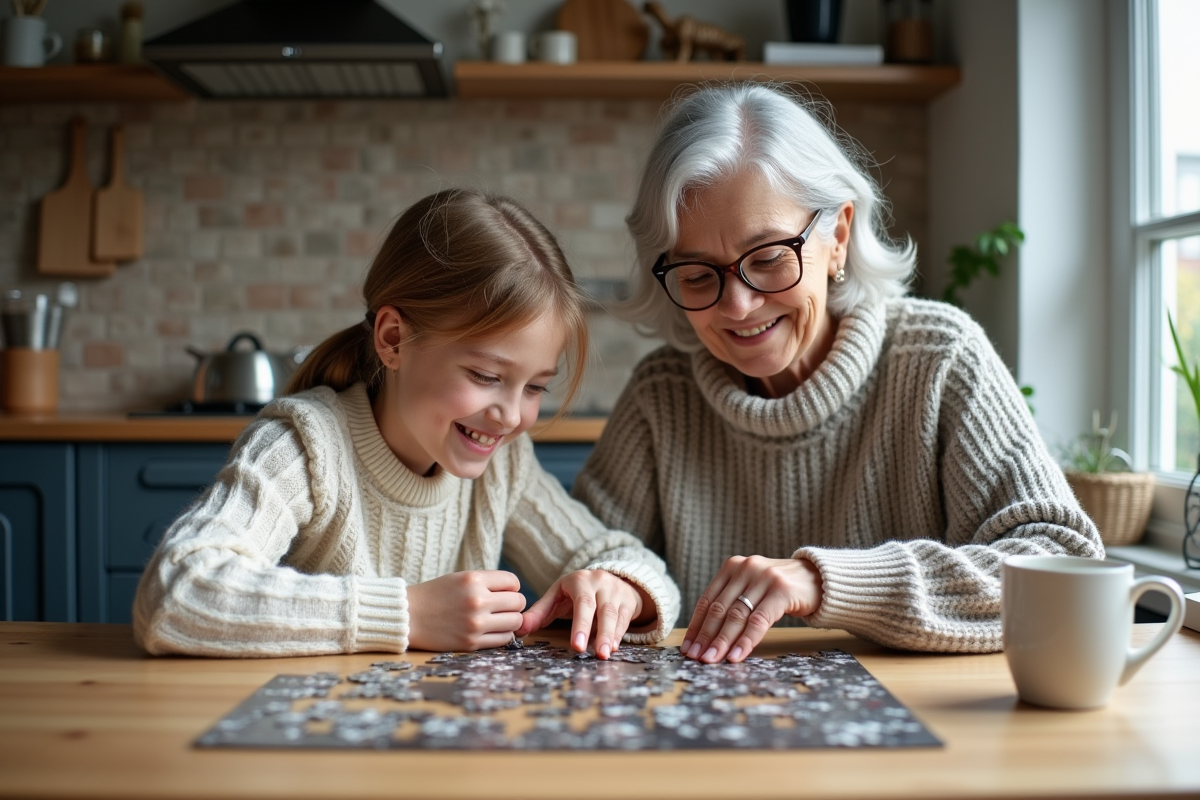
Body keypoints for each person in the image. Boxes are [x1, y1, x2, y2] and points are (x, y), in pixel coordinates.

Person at [528, 83, 1101, 662]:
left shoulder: (940, 360)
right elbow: (600, 545)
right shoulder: (663, 395)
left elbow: (1062, 558)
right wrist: (620, 582)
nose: (738, 306)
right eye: (699, 275)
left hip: (918, 729)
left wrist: (825, 582)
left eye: (769, 258)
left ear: (839, 237)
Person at [133, 189, 680, 659]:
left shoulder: (504, 465)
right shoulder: (304, 444)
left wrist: (620, 587)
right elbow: (177, 592)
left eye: (536, 386)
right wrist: (407, 616)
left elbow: (625, 557)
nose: (512, 416)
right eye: (487, 375)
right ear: (393, 339)